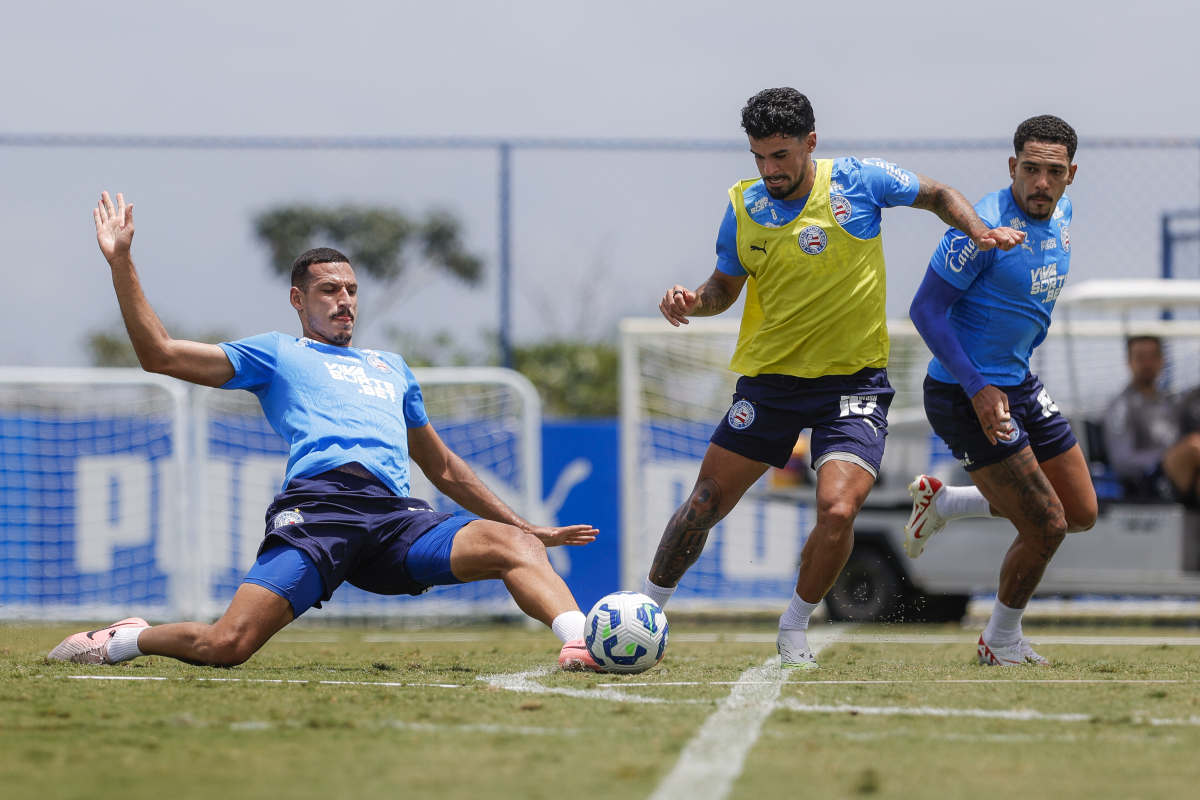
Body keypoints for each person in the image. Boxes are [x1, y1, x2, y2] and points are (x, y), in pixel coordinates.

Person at [49, 191, 602, 671]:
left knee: (515, 544)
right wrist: (121, 261)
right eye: (330, 291)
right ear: (298, 299)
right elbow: (159, 355)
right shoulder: (277, 353)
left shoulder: (391, 367)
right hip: (319, 514)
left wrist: (529, 526)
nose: (345, 302)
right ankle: (128, 638)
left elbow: (445, 468)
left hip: (394, 522)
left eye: (352, 291)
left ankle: (582, 643)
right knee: (226, 644)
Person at [641, 87, 1024, 670]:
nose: (770, 169)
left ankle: (794, 625)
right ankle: (645, 613)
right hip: (769, 383)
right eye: (759, 157)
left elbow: (940, 193)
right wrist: (691, 300)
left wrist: (980, 231)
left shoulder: (858, 181)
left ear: (810, 143)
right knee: (705, 501)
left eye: (781, 155)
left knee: (840, 511)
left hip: (853, 383)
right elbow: (723, 289)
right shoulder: (744, 207)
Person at [903, 115, 1098, 666]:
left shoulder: (1062, 215)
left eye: (1053, 172)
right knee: (1046, 525)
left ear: (1070, 175)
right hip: (965, 394)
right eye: (1030, 169)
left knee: (1081, 511)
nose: (1040, 182)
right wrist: (979, 386)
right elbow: (925, 310)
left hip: (1020, 384)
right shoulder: (980, 228)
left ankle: (946, 501)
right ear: (1012, 167)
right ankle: (1001, 640)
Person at [1104, 335, 1200, 502]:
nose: (1147, 363)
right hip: (1149, 480)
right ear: (1129, 361)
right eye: (1141, 357)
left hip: (1181, 475)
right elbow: (1122, 460)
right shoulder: (1121, 406)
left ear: (1162, 360)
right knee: (1193, 446)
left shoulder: (1171, 401)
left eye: (1153, 356)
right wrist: (1166, 457)